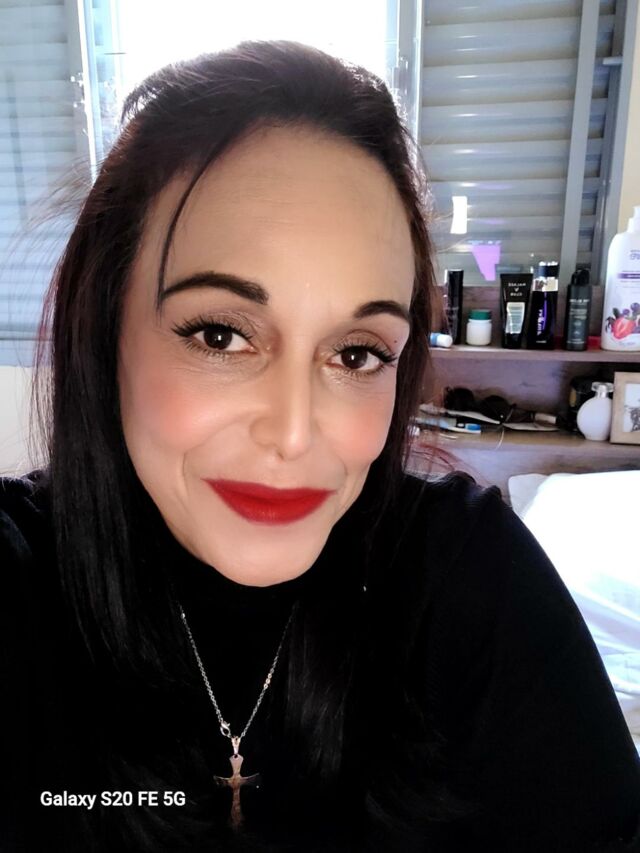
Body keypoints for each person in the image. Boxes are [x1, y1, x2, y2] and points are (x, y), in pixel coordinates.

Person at [1, 40, 638, 853]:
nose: (295, 431)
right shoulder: (20, 586)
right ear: (104, 332)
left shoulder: (470, 582)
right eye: (221, 335)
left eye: (357, 353)